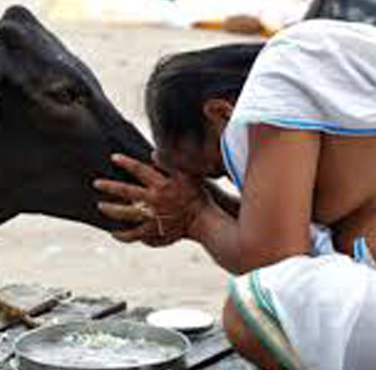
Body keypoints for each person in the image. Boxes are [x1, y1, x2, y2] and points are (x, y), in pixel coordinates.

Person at [94, 19, 376, 369]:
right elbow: (293, 251)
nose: (247, 185)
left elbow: (276, 266)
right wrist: (207, 207)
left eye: (220, 170)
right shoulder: (348, 168)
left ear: (221, 114)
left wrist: (196, 216)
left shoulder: (286, 65)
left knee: (253, 306)